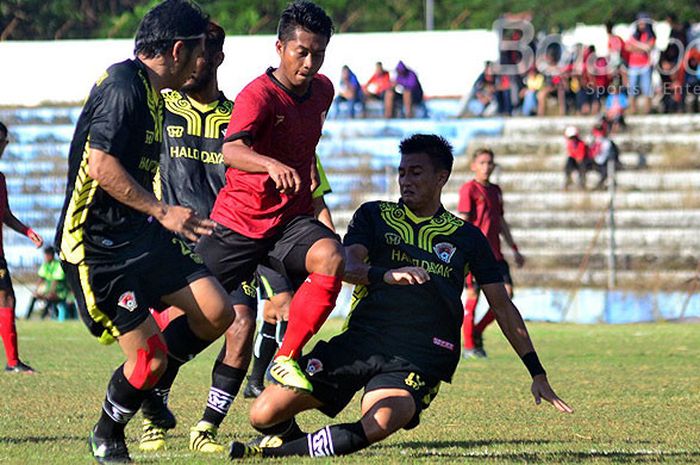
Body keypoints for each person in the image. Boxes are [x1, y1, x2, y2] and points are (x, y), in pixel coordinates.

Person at [228, 134, 573, 460]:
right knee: (262, 413)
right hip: (362, 341)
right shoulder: (375, 216)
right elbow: (346, 266)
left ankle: (274, 453)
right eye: (402, 172)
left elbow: (502, 305)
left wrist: (536, 371)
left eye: (416, 172)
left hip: (420, 355)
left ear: (442, 177)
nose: (406, 180)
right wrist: (384, 275)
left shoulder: (466, 237)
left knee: (382, 419)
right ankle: (286, 436)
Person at [54, 2, 235, 463]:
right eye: (198, 51)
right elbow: (101, 165)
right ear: (177, 50)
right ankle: (108, 433)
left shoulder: (153, 92)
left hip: (140, 235)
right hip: (98, 249)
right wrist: (164, 210)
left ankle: (150, 385)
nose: (202, 62)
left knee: (217, 312)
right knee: (148, 358)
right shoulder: (123, 87)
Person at [194, 0, 344, 400]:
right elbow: (231, 151)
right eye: (302, 52)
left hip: (287, 223)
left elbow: (304, 145)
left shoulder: (324, 91)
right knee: (194, 315)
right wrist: (269, 164)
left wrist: (308, 183)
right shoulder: (257, 96)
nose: (311, 63)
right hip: (239, 223)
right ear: (280, 48)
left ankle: (285, 359)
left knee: (328, 258)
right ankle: (145, 388)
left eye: (319, 53)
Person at [243, 173, 335, 399]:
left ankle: (255, 382)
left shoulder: (310, 157)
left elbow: (318, 201)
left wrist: (333, 240)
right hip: (267, 245)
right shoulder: (266, 156)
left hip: (298, 245)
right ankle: (280, 379)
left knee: (272, 314)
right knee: (286, 309)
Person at [458, 148, 525, 358]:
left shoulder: (496, 190)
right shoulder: (468, 189)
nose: (486, 167)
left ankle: (477, 332)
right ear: (474, 166)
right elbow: (464, 221)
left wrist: (514, 248)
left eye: (489, 163)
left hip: (495, 255)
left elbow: (501, 221)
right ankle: (469, 347)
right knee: (473, 298)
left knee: (507, 296)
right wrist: (462, 251)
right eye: (482, 163)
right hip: (475, 255)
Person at [0, 121, 44, 373]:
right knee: (6, 298)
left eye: (2, 142)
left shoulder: (1, 179)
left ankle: (13, 361)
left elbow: (5, 213)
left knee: (7, 299)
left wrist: (27, 232)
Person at [25, 245, 72, 321]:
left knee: (49, 298)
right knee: (34, 297)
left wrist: (49, 292)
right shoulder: (45, 265)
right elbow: (41, 278)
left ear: (51, 255)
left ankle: (42, 318)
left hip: (61, 292)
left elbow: (56, 281)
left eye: (47, 255)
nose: (45, 257)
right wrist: (36, 290)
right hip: (49, 291)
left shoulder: (58, 265)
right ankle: (27, 317)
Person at [626, 14, 656, 114]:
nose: (641, 25)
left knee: (647, 88)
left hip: (645, 65)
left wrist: (636, 47)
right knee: (632, 89)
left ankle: (648, 110)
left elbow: (649, 47)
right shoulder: (634, 36)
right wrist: (642, 48)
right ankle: (633, 110)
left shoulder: (650, 35)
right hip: (633, 65)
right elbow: (628, 48)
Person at [563, 125, 592, 189]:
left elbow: (581, 157)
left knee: (582, 166)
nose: (572, 139)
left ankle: (582, 183)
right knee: (569, 162)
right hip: (576, 161)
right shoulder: (569, 144)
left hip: (583, 161)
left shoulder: (581, 144)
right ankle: (568, 180)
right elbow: (571, 154)